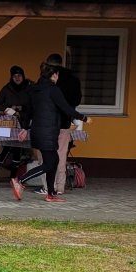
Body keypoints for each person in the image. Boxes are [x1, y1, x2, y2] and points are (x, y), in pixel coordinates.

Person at [13, 63, 88, 203]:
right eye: (57, 75)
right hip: (48, 132)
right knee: (49, 163)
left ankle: (50, 194)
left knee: (53, 161)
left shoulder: (34, 90)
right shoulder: (53, 90)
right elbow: (66, 108)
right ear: (54, 75)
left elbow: (29, 112)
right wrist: (84, 118)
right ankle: (20, 180)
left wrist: (24, 128)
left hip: (39, 131)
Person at [46, 53, 84, 195]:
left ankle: (47, 187)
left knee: (46, 156)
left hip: (49, 122)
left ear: (49, 64)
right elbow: (77, 100)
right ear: (61, 62)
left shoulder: (48, 78)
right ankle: (60, 187)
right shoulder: (74, 79)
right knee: (61, 155)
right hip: (65, 121)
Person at [0, 65, 32, 182]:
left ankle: (13, 176)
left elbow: (34, 104)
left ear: (23, 76)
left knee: (19, 147)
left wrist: (22, 108)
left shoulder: (29, 88)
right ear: (11, 77)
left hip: (25, 122)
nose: (17, 78)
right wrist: (8, 108)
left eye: (19, 75)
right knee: (7, 146)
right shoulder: (7, 88)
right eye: (14, 76)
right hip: (10, 122)